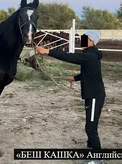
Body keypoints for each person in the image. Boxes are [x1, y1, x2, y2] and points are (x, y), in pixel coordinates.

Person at [35, 30, 105, 164]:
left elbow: (70, 57)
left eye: (84, 38)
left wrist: (47, 52)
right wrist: (75, 78)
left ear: (91, 40)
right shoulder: (90, 55)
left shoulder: (89, 56)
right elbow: (89, 72)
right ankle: (91, 150)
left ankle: (97, 159)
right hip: (92, 95)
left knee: (91, 128)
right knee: (90, 126)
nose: (81, 40)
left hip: (95, 96)